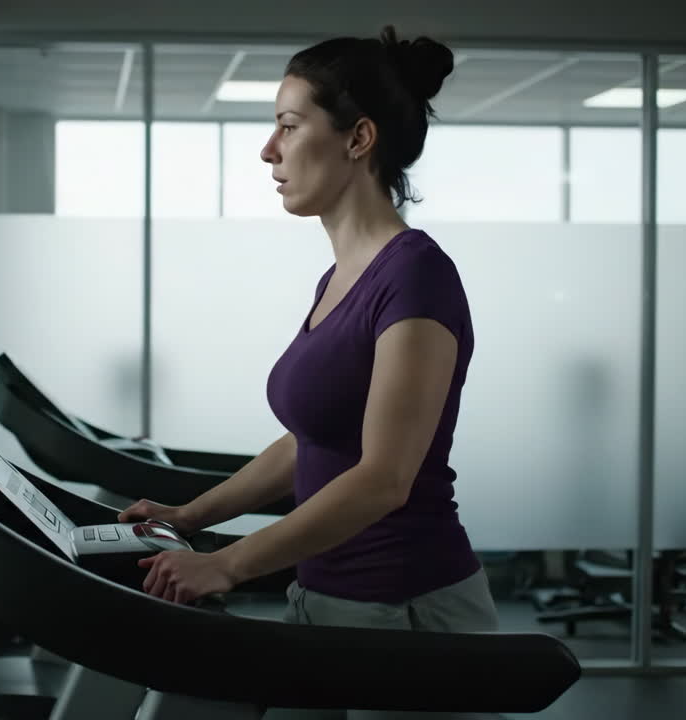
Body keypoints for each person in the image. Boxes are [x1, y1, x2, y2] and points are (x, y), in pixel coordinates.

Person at [118, 25, 499, 719]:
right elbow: (312, 442)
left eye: (288, 127)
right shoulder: (340, 278)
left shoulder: (416, 278)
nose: (269, 150)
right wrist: (192, 517)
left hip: (406, 610)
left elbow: (384, 478)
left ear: (358, 139)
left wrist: (227, 564)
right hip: (326, 599)